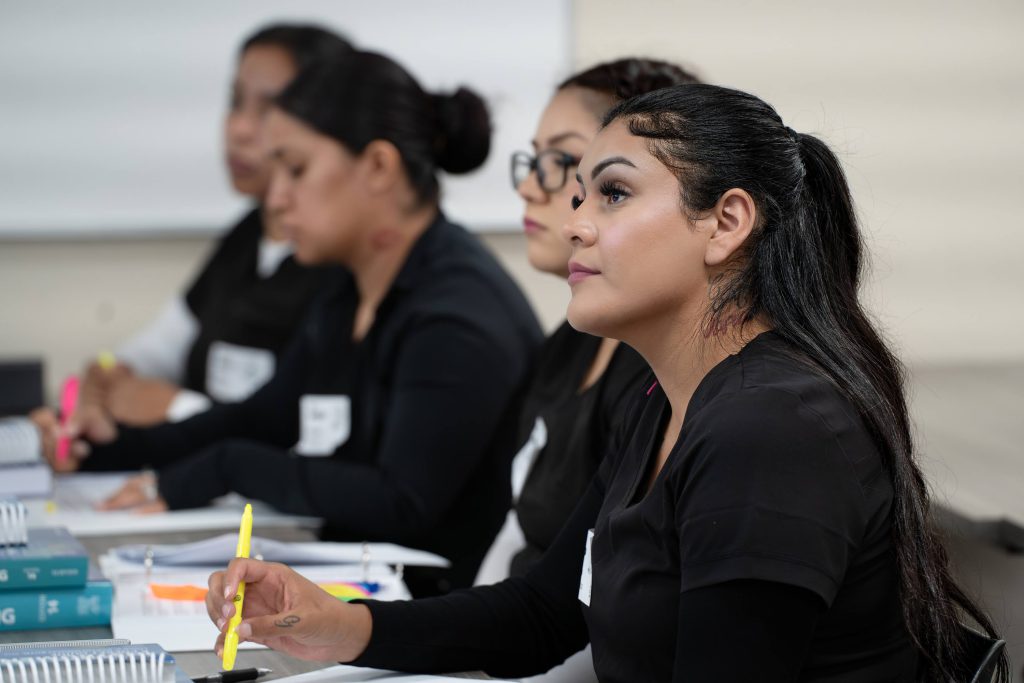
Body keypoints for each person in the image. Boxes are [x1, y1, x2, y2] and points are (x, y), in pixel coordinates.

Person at [204, 83, 1008, 681]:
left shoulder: (773, 428)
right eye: (581, 194)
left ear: (726, 222)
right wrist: (335, 625)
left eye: (613, 193)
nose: (578, 221)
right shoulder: (664, 399)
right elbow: (545, 611)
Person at [44, 50, 543, 597]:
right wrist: (108, 447)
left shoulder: (458, 313)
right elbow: (261, 418)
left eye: (296, 169)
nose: (277, 199)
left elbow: (404, 501)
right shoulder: (346, 287)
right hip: (357, 589)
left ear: (377, 167)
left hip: (440, 626)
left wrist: (228, 467)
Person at [39, 24, 352, 432]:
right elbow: (162, 345)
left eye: (270, 109)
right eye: (235, 102)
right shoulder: (244, 237)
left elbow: (306, 432)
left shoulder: (340, 261)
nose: (238, 129)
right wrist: (107, 379)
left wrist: (178, 407)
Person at [498, 58, 699, 579]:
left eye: (608, 188)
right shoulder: (571, 339)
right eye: (535, 160)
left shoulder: (664, 374)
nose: (530, 188)